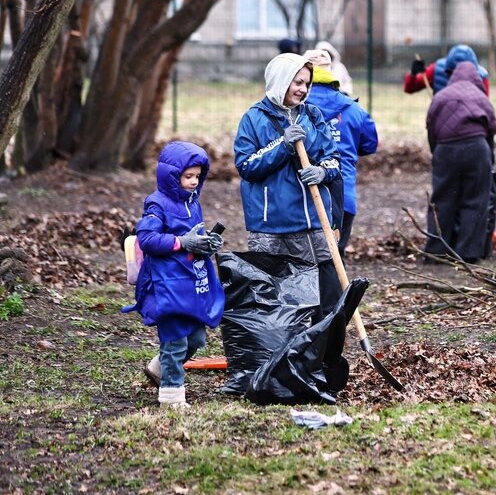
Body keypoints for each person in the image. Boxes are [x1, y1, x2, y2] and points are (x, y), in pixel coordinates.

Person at [234, 53, 343, 324]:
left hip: (312, 222)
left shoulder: (312, 115)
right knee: (277, 296)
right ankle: (281, 352)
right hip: (271, 225)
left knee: (322, 295)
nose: (303, 89)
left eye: (306, 84)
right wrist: (282, 145)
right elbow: (246, 166)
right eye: (297, 82)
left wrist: (322, 171)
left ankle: (320, 351)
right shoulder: (253, 118)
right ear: (280, 80)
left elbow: (333, 159)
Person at [122, 141, 225, 409]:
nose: (193, 182)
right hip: (166, 283)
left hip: (191, 281)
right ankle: (171, 397)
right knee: (175, 339)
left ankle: (158, 367)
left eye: (197, 177)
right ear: (171, 175)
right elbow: (147, 239)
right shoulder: (157, 204)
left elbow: (196, 235)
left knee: (196, 338)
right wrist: (182, 243)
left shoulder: (193, 203)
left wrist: (206, 243)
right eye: (187, 176)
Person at [304, 49, 378, 256]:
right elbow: (370, 145)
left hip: (301, 196)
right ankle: (337, 290)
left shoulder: (293, 107)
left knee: (303, 260)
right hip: (343, 197)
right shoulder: (355, 110)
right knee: (335, 258)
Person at [425, 60, 496, 262]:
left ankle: (435, 252)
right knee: (475, 201)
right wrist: (489, 157)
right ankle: (469, 253)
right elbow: (491, 129)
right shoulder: (481, 97)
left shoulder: (440, 96)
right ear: (476, 78)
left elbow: (431, 127)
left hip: (446, 150)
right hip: (477, 149)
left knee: (441, 201)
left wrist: (436, 153)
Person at [404, 44, 490, 96]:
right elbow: (410, 88)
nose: (459, 76)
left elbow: (484, 110)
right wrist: (413, 74)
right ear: (447, 68)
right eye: (453, 73)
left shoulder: (482, 77)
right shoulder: (436, 70)